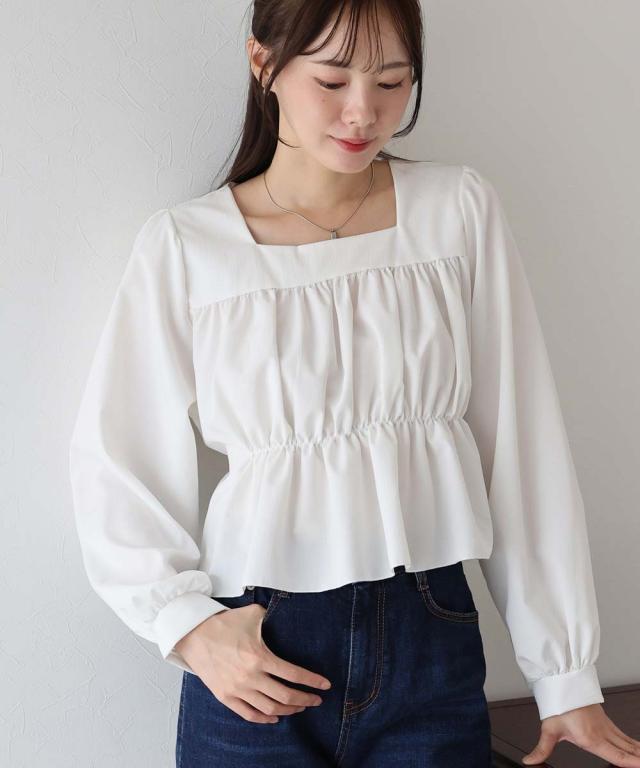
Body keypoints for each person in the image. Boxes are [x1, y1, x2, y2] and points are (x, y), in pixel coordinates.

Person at [68, 2, 640, 767]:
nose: (363, 112)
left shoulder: (455, 210)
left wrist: (564, 674)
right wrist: (187, 626)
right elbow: (117, 459)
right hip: (257, 647)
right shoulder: (187, 246)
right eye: (333, 81)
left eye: (393, 81)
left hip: (430, 632)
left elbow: (518, 445)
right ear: (263, 63)